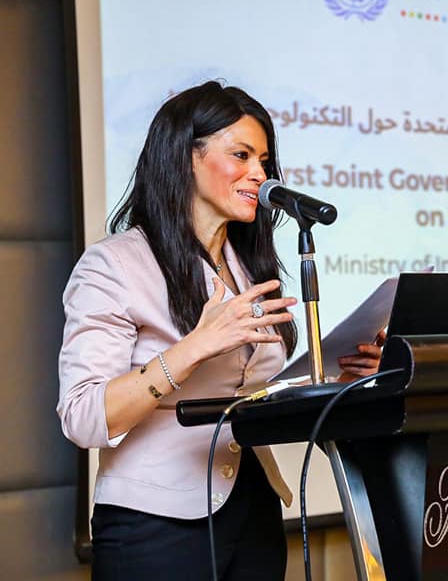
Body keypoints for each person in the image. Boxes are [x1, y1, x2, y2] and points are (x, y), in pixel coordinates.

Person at [57, 81, 379, 580]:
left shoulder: (248, 267)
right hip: (154, 522)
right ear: (185, 158)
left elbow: (252, 391)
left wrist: (341, 380)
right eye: (242, 155)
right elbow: (82, 417)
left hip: (253, 508)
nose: (260, 175)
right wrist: (192, 350)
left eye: (264, 161)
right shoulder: (114, 265)